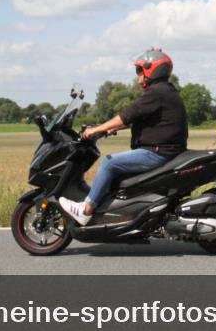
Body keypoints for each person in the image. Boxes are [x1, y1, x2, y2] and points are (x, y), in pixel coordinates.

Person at [59, 48, 187, 226]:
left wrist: (96, 129)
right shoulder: (166, 91)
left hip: (158, 153)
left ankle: (86, 209)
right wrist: (110, 129)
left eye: (139, 70)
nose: (137, 76)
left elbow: (128, 114)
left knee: (110, 163)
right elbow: (141, 119)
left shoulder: (156, 93)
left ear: (151, 70)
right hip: (165, 150)